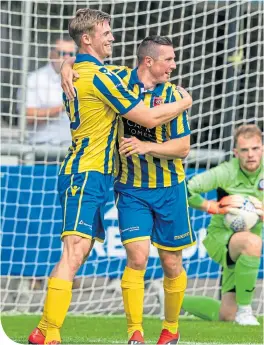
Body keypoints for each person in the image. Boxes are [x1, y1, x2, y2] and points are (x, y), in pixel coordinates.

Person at [28, 9, 192, 345]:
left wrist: (66, 64)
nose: (112, 38)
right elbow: (145, 117)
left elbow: (182, 145)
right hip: (86, 172)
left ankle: (43, 331)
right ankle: (50, 335)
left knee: (82, 250)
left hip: (102, 178)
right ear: (87, 38)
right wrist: (187, 101)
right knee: (75, 251)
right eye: (106, 32)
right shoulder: (103, 77)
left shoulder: (93, 72)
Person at [182, 124, 263, 326]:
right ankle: (246, 311)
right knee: (252, 242)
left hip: (244, 247)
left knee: (226, 315)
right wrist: (210, 206)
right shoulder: (226, 172)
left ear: (262, 148)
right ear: (236, 153)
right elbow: (184, 188)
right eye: (244, 150)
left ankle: (171, 300)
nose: (250, 155)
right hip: (220, 238)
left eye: (255, 148)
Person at [17, 36, 76, 146]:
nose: (67, 58)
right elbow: (27, 117)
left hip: (72, 149)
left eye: (71, 55)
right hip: (42, 148)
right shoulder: (35, 79)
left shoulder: (78, 79)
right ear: (52, 55)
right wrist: (63, 107)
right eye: (62, 53)